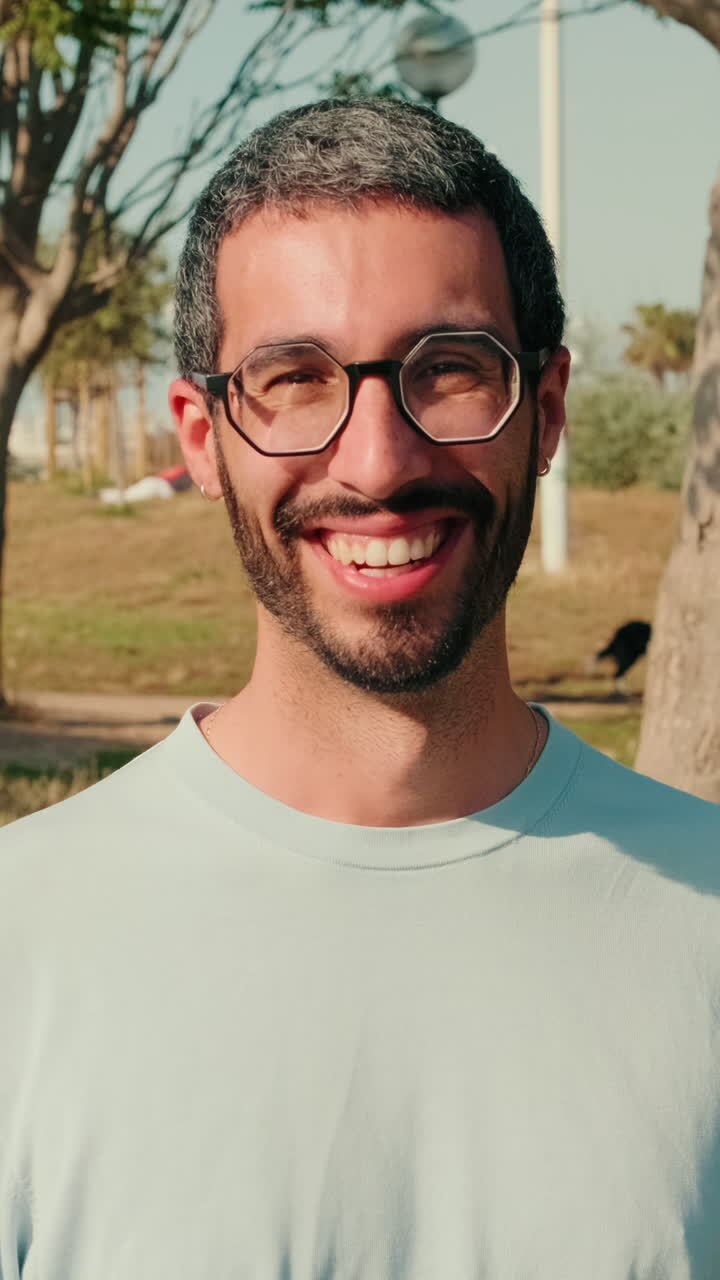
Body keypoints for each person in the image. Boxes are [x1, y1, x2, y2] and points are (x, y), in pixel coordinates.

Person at [1, 98, 720, 1280]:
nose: (378, 460)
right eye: (294, 377)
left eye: (449, 370)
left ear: (545, 409)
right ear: (201, 435)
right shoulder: (21, 945)